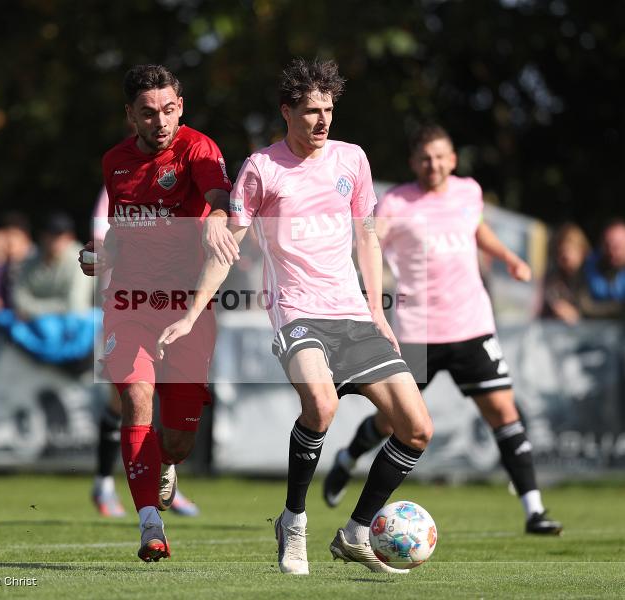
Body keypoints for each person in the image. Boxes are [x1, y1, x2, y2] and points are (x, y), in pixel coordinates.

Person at [158, 58, 433, 575]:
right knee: (322, 405)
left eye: (328, 109)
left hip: (353, 315)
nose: (323, 120)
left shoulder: (352, 160)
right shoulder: (261, 169)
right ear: (287, 112)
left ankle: (355, 533)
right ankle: (294, 522)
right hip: (297, 313)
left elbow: (367, 236)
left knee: (417, 429)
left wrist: (377, 310)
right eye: (311, 111)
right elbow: (227, 249)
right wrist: (194, 313)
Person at [321, 124, 563, 536]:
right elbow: (369, 246)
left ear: (452, 159)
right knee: (392, 422)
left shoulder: (469, 191)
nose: (433, 164)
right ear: (414, 162)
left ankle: (534, 510)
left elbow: (478, 228)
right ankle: (348, 459)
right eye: (424, 158)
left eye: (440, 156)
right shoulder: (396, 203)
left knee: (504, 413)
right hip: (418, 331)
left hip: (472, 326)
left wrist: (507, 257)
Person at [78, 64, 236, 562]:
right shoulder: (114, 163)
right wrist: (101, 254)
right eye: (148, 112)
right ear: (131, 115)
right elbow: (124, 231)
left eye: (168, 109)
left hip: (188, 308)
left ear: (180, 108)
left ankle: (166, 463)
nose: (160, 121)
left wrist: (215, 220)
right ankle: (150, 526)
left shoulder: (199, 148)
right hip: (129, 304)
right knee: (137, 399)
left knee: (180, 439)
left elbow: (221, 198)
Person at [90, 189, 200, 519]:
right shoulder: (117, 187)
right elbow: (101, 243)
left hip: (173, 310)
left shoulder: (182, 183)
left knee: (171, 398)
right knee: (127, 399)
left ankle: (164, 474)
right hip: (125, 308)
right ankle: (105, 483)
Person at [0, 212, 34, 313]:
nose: (9, 242)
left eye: (14, 236)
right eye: (7, 237)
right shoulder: (4, 263)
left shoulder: (38, 260)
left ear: (26, 238)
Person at [541, 222, 590, 324]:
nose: (564, 257)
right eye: (561, 253)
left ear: (582, 252)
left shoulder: (590, 278)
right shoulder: (552, 279)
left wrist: (577, 316)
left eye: (569, 251)